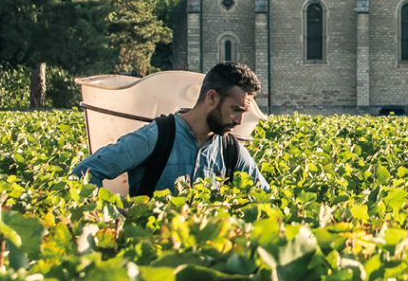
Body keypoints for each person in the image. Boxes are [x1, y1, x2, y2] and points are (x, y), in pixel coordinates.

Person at [71, 61, 269, 194]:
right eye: (235, 110)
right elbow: (85, 172)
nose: (240, 121)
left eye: (244, 112)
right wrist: (111, 219)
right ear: (211, 98)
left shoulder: (231, 151)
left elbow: (266, 198)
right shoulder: (156, 138)